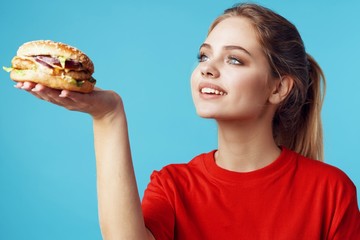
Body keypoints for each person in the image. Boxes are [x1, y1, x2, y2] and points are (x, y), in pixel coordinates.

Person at [16, 3, 359, 240]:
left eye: (235, 60)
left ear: (278, 87)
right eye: (204, 55)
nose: (208, 68)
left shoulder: (330, 190)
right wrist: (108, 115)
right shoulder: (172, 186)